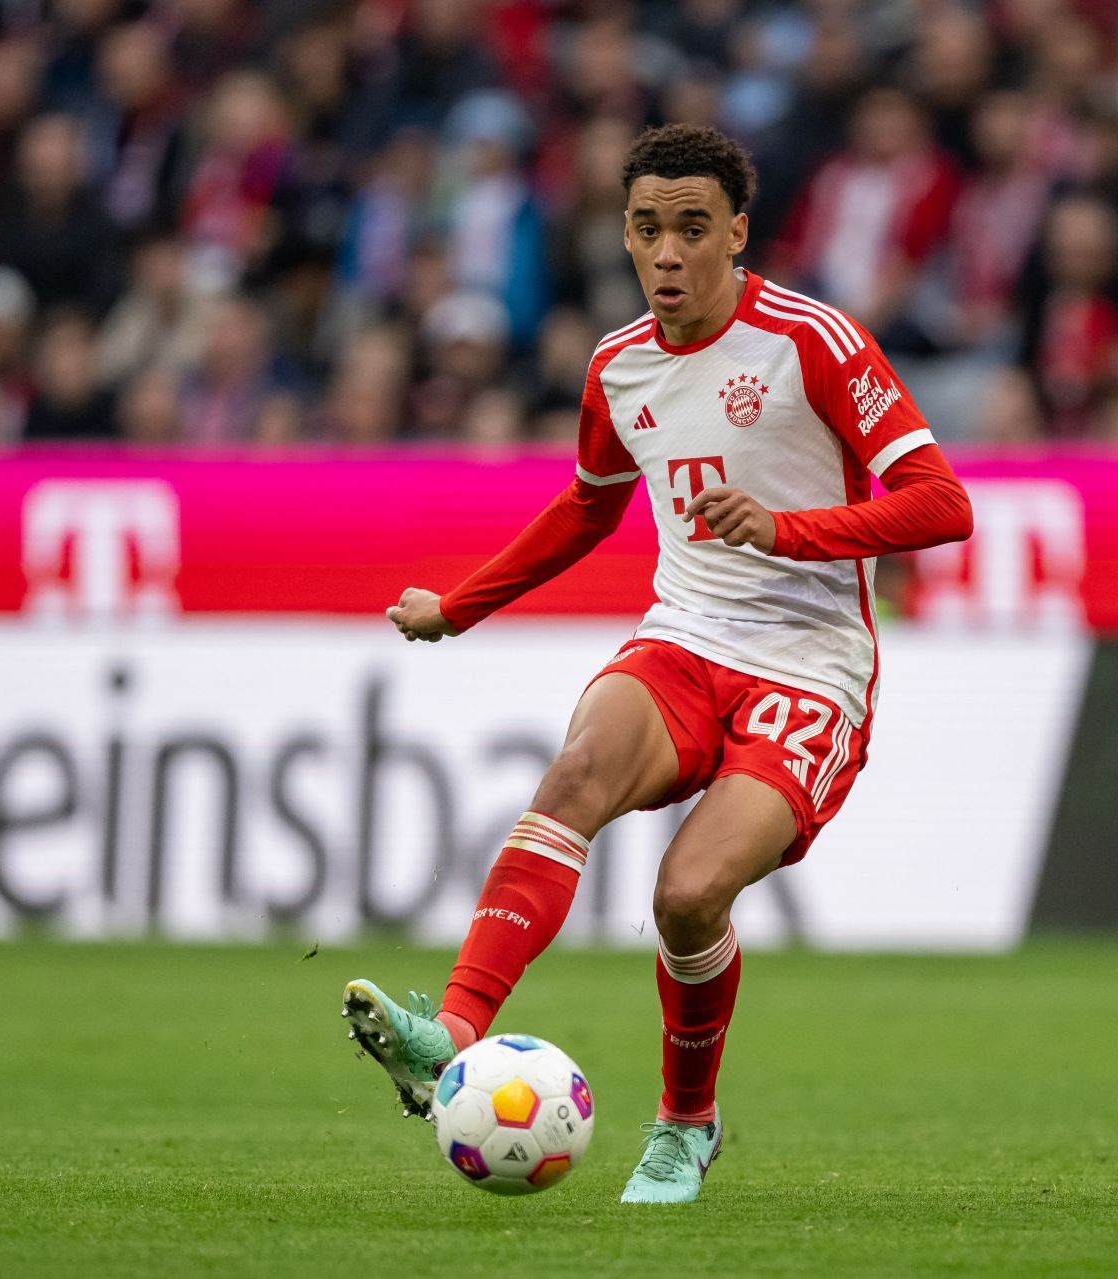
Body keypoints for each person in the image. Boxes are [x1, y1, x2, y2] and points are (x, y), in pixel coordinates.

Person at [344, 125, 973, 1205]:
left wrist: (788, 530)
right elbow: (587, 508)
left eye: (691, 228)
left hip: (809, 669)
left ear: (736, 232)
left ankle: (687, 1121)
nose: (668, 251)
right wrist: (458, 607)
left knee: (688, 895)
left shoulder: (812, 341)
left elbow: (942, 504)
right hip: (686, 637)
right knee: (573, 779)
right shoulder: (618, 364)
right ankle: (446, 1033)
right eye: (646, 229)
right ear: (626, 237)